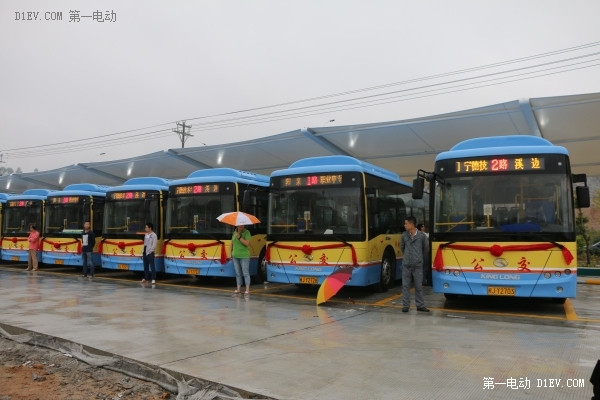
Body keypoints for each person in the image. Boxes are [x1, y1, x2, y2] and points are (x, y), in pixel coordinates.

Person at [401, 216, 429, 312]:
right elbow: (402, 248)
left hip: (417, 265)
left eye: (406, 223)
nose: (404, 225)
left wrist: (419, 259)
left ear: (412, 224)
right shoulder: (404, 235)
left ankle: (420, 305)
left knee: (418, 286)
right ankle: (405, 305)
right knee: (405, 286)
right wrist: (407, 257)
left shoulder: (422, 236)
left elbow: (426, 250)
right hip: (406, 265)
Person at [232, 224, 251, 294]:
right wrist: (231, 253)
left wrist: (239, 237)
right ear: (237, 226)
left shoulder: (247, 232)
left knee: (245, 272)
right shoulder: (234, 232)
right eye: (239, 225)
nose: (241, 227)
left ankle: (247, 289)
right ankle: (238, 289)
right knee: (238, 273)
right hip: (235, 255)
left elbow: (247, 243)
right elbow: (232, 243)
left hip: (244, 256)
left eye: (242, 225)